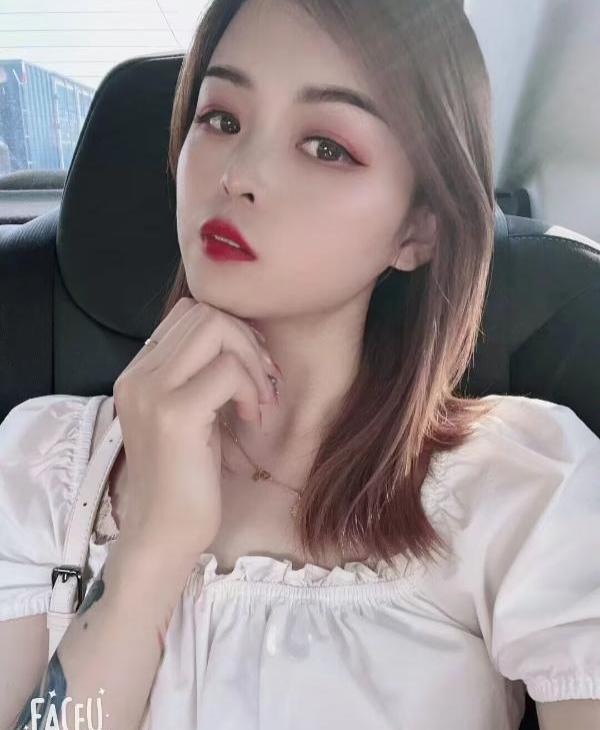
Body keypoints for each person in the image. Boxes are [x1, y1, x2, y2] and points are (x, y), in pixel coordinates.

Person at [1, 0, 599, 728]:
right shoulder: (44, 464)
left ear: (419, 228)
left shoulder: (526, 486)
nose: (239, 173)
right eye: (221, 118)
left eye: (326, 146)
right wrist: (148, 551)